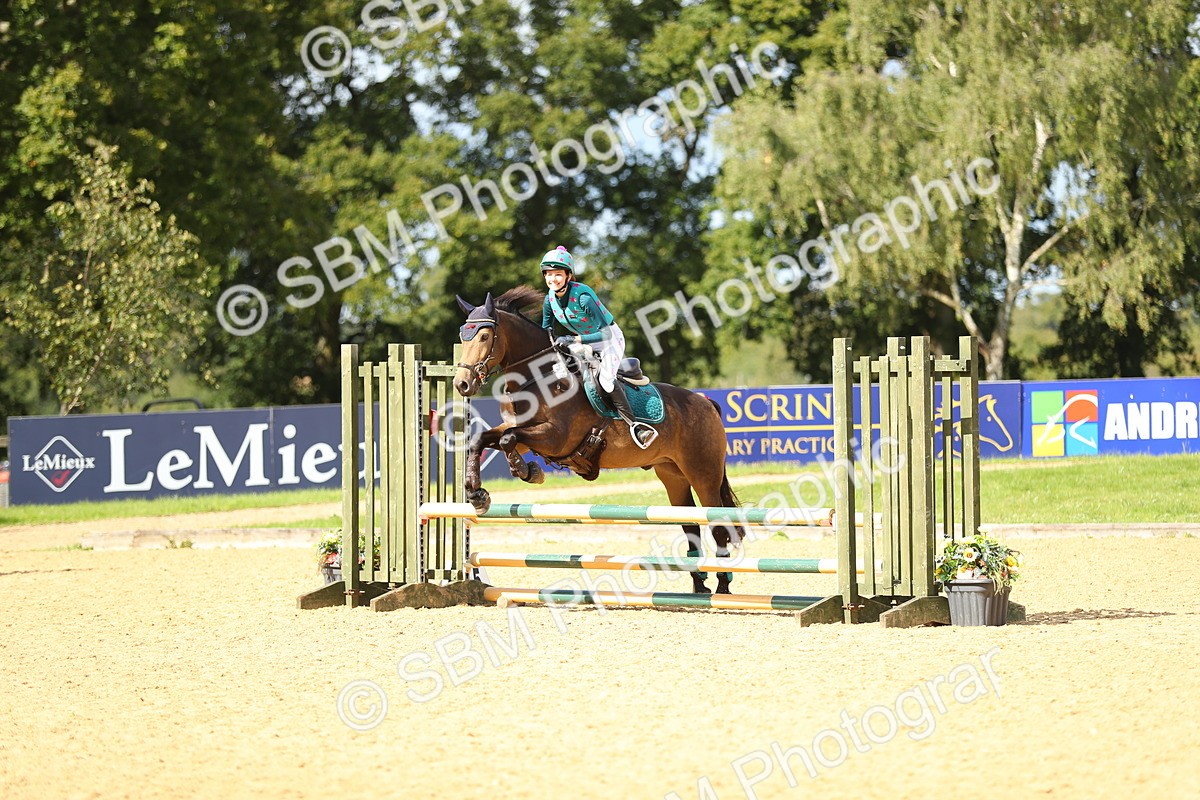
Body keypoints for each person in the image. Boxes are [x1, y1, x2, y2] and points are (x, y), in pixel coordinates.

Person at [539, 246, 657, 448]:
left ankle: (637, 426)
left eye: (558, 275)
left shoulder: (583, 297)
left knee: (606, 381)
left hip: (609, 340)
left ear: (568, 275)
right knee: (559, 371)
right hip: (582, 342)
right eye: (549, 275)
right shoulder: (549, 300)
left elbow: (605, 334)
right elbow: (545, 330)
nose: (553, 280)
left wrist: (573, 340)